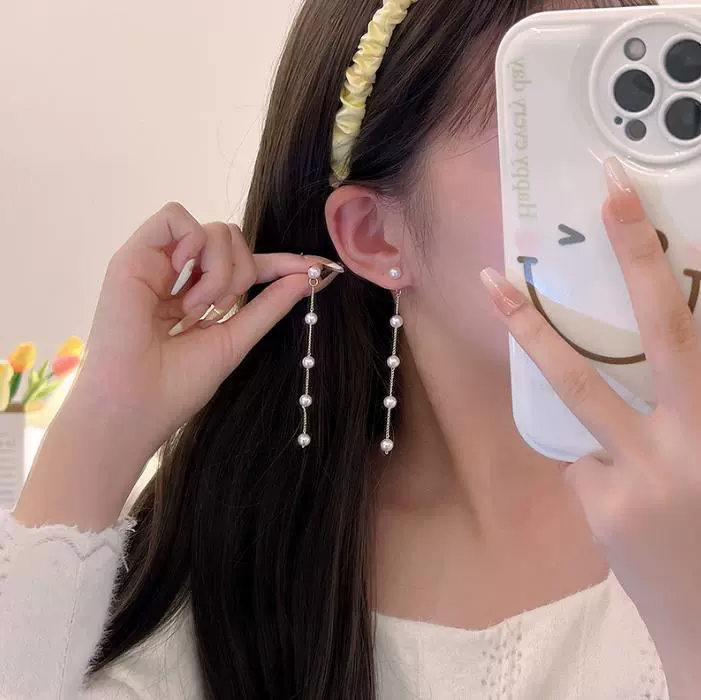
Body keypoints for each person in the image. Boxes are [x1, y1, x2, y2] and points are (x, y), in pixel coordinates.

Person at [2, 0, 699, 697]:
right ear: (374, 235)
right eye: (550, 143)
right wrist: (103, 426)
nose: (629, 193)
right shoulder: (243, 570)